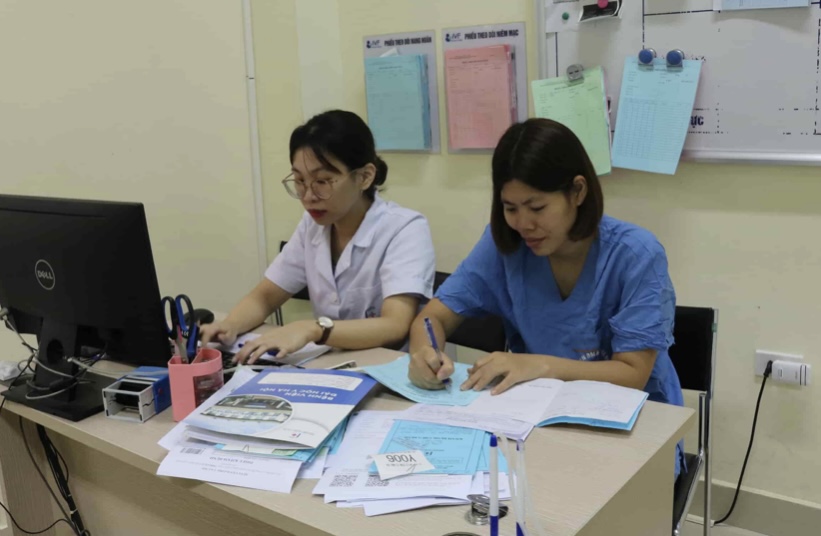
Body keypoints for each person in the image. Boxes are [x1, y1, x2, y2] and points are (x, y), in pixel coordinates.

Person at [407, 118, 684, 476]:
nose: (523, 224)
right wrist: (424, 352)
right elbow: (432, 318)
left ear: (578, 192)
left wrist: (539, 366)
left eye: (537, 208)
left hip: (633, 431)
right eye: (510, 208)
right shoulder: (503, 245)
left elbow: (632, 373)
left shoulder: (635, 254)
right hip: (536, 424)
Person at [202, 110, 435, 363]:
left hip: (389, 370)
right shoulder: (313, 224)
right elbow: (266, 296)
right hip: (328, 366)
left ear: (365, 176)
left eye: (323, 181)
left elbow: (394, 326)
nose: (308, 196)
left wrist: (314, 328)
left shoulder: (404, 228)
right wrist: (230, 326)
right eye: (300, 181)